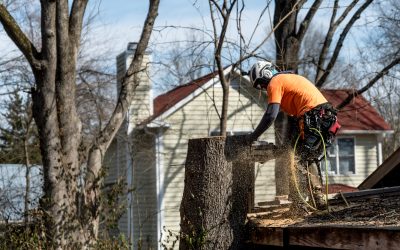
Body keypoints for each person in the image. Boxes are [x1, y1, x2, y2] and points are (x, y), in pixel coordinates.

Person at [246, 60, 341, 209]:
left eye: (262, 84)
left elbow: (271, 115)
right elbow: (292, 127)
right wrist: (280, 150)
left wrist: (253, 136)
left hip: (314, 116)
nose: (265, 88)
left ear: (266, 74)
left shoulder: (276, 82)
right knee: (304, 156)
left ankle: (299, 203)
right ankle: (317, 200)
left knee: (296, 159)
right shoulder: (289, 81)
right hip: (324, 117)